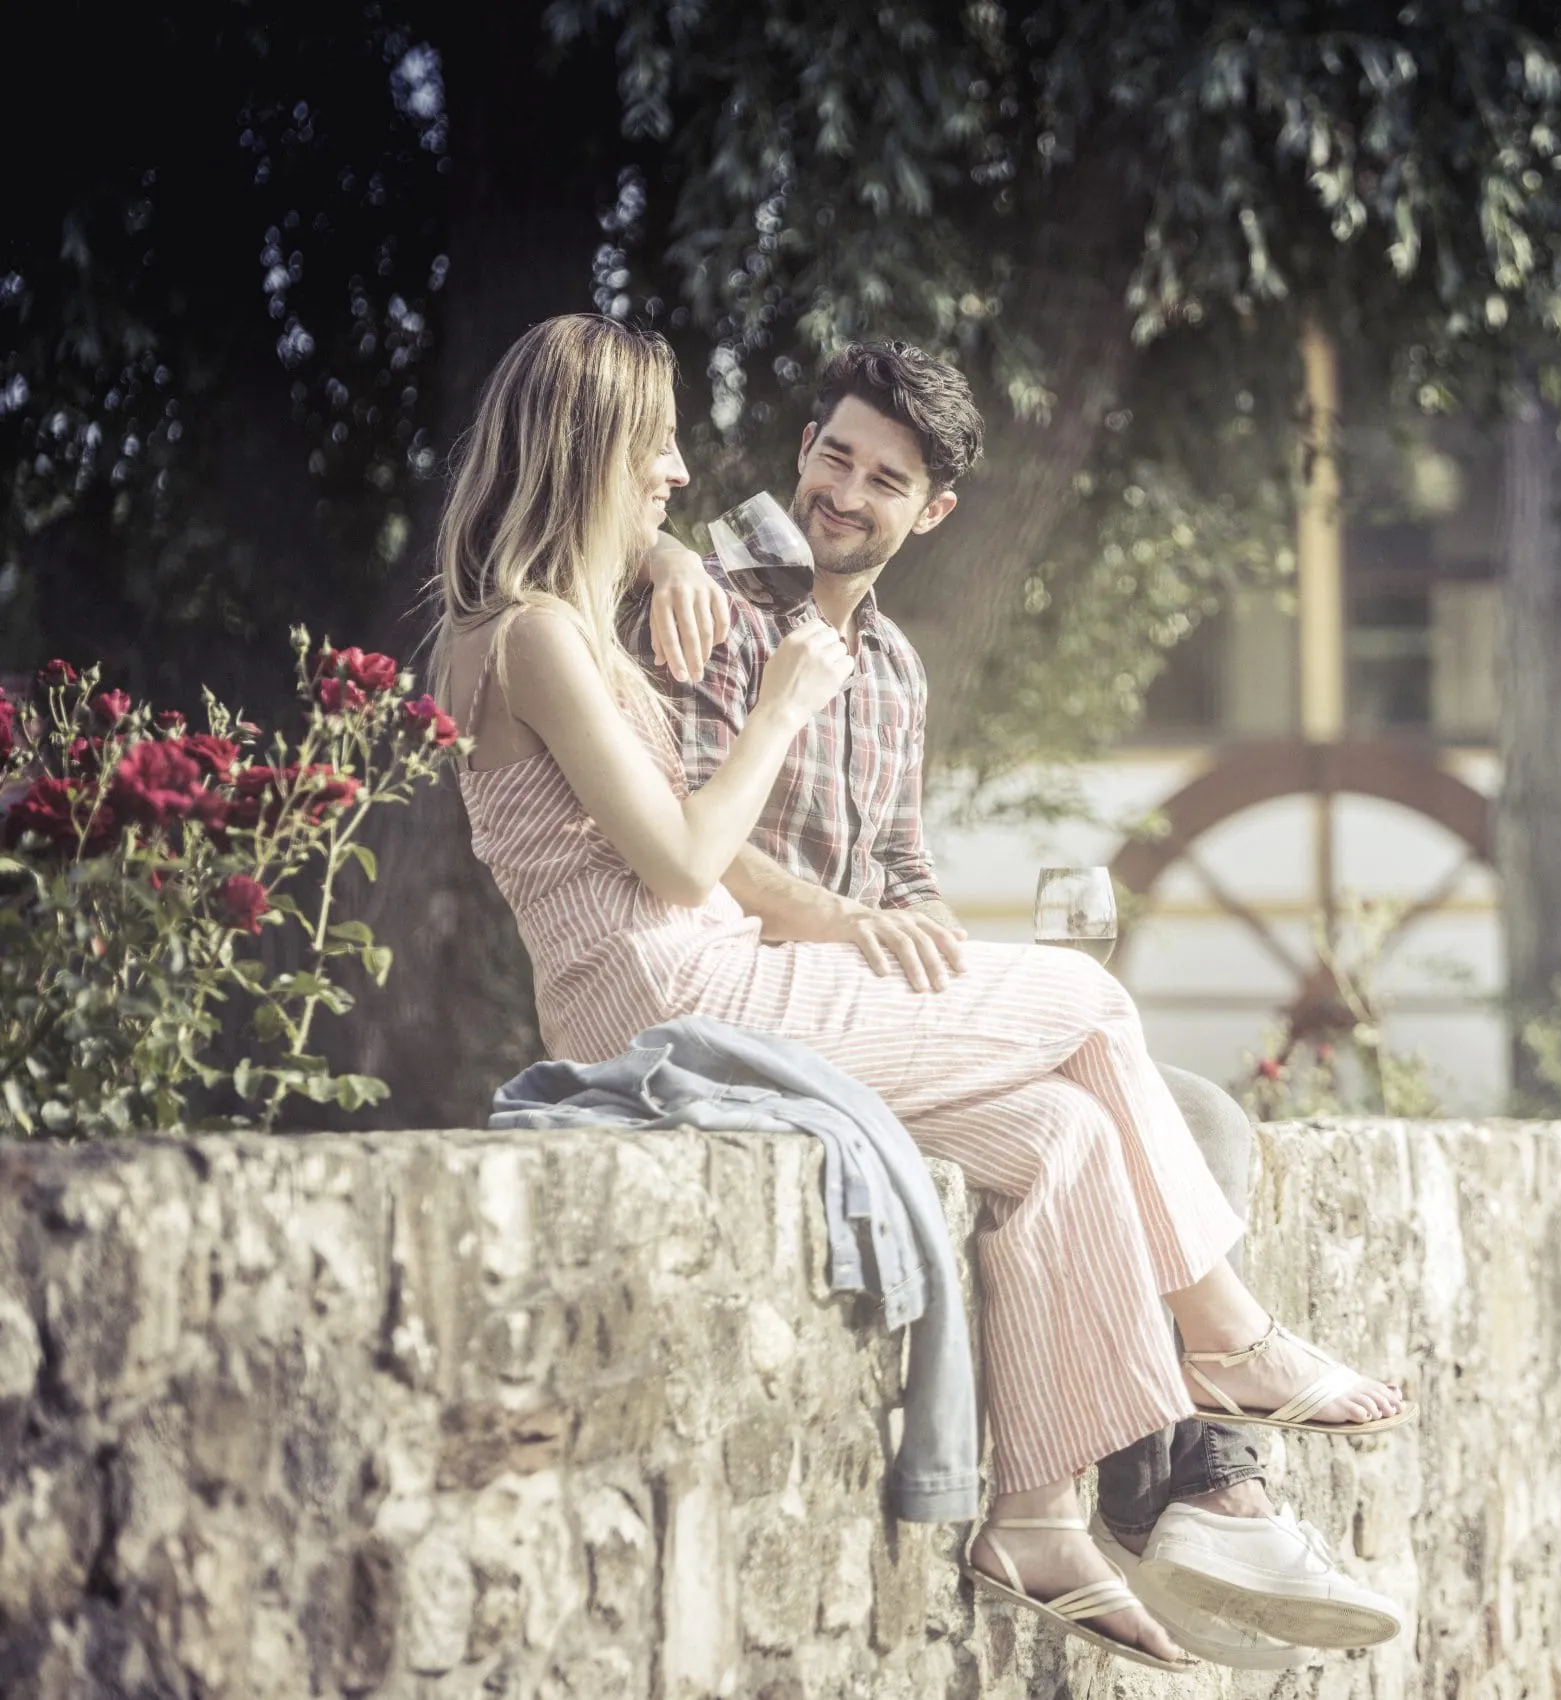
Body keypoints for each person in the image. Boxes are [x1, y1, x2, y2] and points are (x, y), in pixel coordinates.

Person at [429, 314, 1406, 1671]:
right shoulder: (555, 630)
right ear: (587, 449)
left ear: (931, 510)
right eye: (649, 449)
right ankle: (1227, 1354)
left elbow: (881, 864)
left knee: (1066, 1133)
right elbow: (684, 858)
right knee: (1088, 1005)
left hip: (718, 977)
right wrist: (771, 700)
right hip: (682, 986)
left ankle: (1039, 1517)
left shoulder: (612, 630)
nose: (670, 471)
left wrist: (909, 922)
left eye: (885, 479)